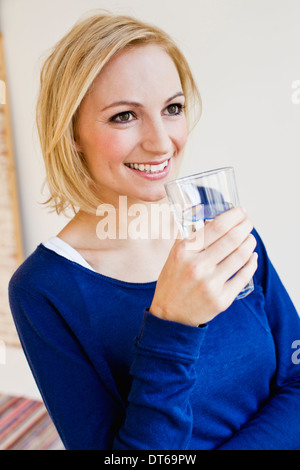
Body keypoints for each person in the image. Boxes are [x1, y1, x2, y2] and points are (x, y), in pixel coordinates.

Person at [9, 11, 300, 450]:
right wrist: (172, 324)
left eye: (173, 108)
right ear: (72, 133)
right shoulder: (44, 289)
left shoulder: (216, 220)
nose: (162, 142)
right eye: (125, 116)